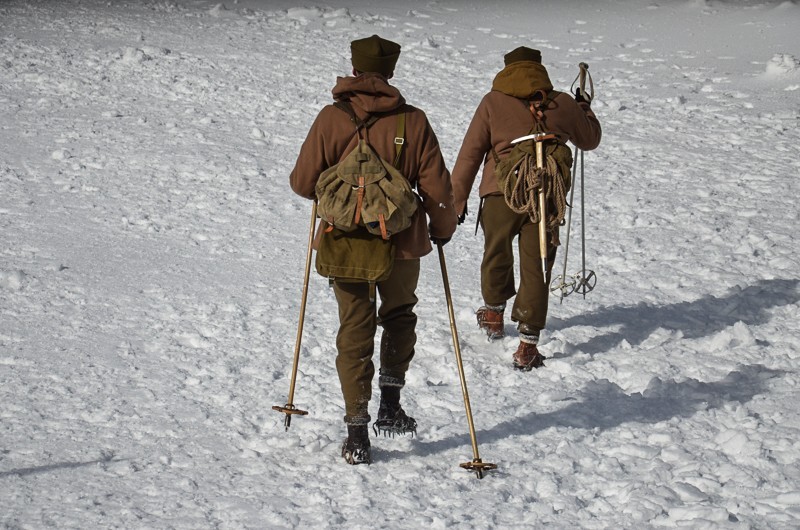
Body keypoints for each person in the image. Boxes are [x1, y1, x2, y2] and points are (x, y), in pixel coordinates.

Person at [289, 35, 457, 465]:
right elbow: (437, 189)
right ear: (392, 71)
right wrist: (442, 229)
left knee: (354, 330)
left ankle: (356, 431)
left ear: (353, 66)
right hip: (401, 245)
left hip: (344, 245)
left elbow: (302, 182)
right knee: (399, 316)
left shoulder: (331, 118)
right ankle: (390, 403)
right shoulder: (413, 121)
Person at [450, 46, 601, 371]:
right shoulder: (561, 103)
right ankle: (527, 346)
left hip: (500, 194)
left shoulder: (493, 102)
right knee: (538, 263)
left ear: (507, 71)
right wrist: (584, 108)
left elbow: (470, 153)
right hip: (544, 197)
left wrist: (455, 200)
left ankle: (492, 315)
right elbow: (589, 139)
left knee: (496, 252)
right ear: (539, 70)